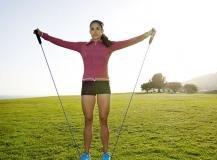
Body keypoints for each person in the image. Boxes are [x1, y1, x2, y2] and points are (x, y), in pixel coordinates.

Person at [34, 20, 155, 160]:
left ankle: (106, 153)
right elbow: (62, 42)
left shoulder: (109, 46)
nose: (95, 31)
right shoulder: (82, 46)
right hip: (87, 85)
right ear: (89, 31)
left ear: (102, 31)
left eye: (98, 28)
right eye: (92, 29)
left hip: (104, 84)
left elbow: (129, 41)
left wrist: (147, 34)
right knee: (88, 119)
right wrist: (43, 35)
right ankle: (86, 154)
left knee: (104, 119)